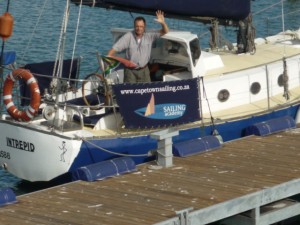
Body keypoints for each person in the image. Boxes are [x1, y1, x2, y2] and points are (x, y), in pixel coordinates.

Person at [107, 10, 169, 83]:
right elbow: (114, 49)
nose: (139, 28)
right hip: (130, 72)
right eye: (137, 26)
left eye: (141, 26)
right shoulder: (128, 36)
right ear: (134, 26)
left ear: (144, 26)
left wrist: (162, 23)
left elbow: (165, 31)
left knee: (147, 92)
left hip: (144, 70)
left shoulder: (150, 35)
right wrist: (108, 58)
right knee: (129, 92)